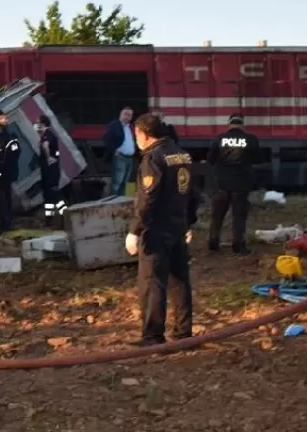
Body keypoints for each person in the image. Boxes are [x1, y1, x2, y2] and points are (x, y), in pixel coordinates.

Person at [124, 113, 198, 346]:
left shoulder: (153, 159)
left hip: (156, 229)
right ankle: (183, 332)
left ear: (144, 134)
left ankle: (153, 336)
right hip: (178, 226)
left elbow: (147, 198)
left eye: (136, 134)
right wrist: (188, 223)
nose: (136, 139)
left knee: (153, 282)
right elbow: (192, 193)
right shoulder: (182, 154)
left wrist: (134, 231)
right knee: (180, 281)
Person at [207, 113, 260, 255]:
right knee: (239, 216)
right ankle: (238, 245)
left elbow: (211, 159)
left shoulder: (219, 139)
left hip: (221, 184)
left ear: (229, 124)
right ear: (242, 124)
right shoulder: (250, 139)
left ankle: (213, 242)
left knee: (217, 215)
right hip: (241, 184)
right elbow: (257, 159)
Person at [35, 114, 66, 220]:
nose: (36, 124)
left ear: (42, 123)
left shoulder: (48, 134)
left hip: (51, 170)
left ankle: (65, 214)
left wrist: (48, 158)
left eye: (37, 122)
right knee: (48, 195)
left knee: (54, 193)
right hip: (47, 170)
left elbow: (45, 146)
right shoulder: (44, 135)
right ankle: (49, 217)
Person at [103, 106, 136, 198]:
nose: (127, 116)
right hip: (120, 157)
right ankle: (113, 203)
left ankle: (120, 203)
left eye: (129, 115)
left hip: (130, 158)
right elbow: (106, 138)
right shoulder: (114, 125)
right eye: (125, 114)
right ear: (120, 114)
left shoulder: (131, 127)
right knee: (117, 182)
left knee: (125, 183)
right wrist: (114, 150)